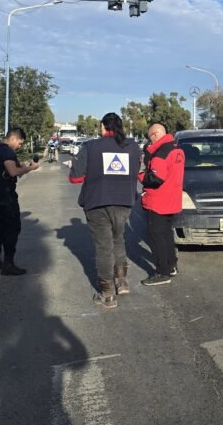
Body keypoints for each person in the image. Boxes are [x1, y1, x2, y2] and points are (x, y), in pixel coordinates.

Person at [69, 113, 140, 309]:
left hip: (98, 202)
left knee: (103, 247)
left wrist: (75, 166)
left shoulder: (91, 146)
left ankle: (108, 294)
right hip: (125, 202)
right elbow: (136, 173)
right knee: (118, 239)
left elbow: (75, 178)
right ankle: (122, 281)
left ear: (102, 127)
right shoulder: (133, 147)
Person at [0, 126, 39, 276]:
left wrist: (23, 167)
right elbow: (13, 171)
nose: (20, 146)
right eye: (20, 143)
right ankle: (8, 265)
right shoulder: (7, 151)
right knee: (12, 228)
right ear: (13, 138)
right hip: (6, 195)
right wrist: (31, 168)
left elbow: (9, 172)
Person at [138, 123, 185, 286]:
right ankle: (171, 265)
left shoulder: (161, 153)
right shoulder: (176, 148)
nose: (149, 142)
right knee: (166, 235)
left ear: (155, 134)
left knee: (156, 236)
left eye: (149, 137)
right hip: (172, 199)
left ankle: (162, 272)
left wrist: (141, 175)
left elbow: (155, 179)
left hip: (158, 200)